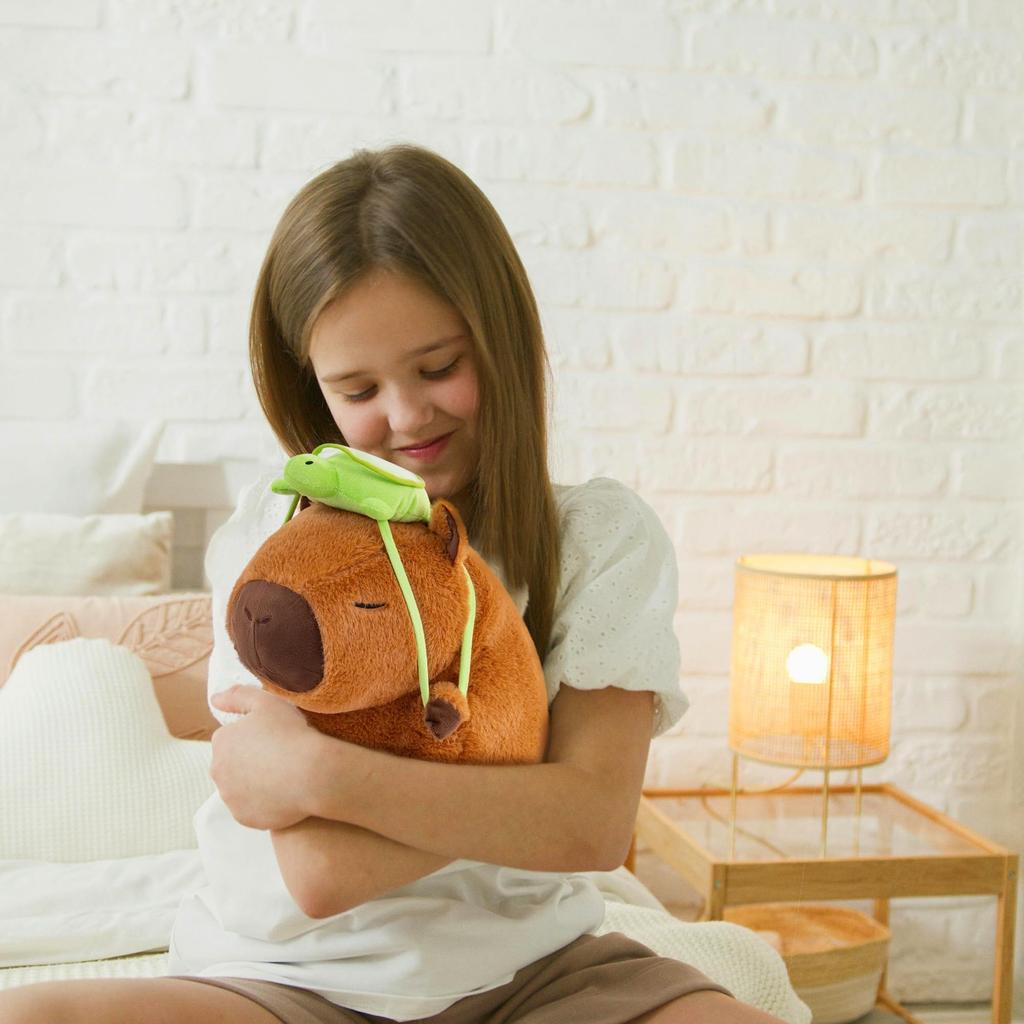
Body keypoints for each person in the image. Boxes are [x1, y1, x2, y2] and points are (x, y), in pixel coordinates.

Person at [0, 144, 787, 1024]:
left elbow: (594, 827)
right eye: (360, 387)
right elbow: (324, 872)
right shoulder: (283, 536)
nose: (409, 417)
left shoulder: (599, 539)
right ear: (312, 388)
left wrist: (321, 773)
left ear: (502, 338)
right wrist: (527, 770)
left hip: (533, 973)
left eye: (440, 366)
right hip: (283, 978)